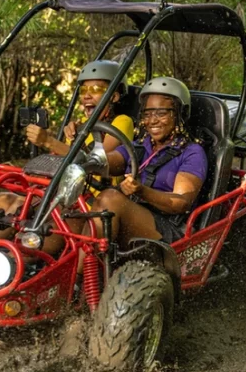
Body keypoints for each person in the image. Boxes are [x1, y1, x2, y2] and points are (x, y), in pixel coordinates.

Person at [0, 60, 134, 257]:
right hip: (59, 197)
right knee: (4, 200)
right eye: (83, 90)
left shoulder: (122, 122)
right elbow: (62, 164)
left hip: (88, 204)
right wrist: (69, 138)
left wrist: (49, 141)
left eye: (97, 89)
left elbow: (96, 162)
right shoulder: (80, 126)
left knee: (19, 212)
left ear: (114, 96)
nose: (87, 95)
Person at [89, 76, 208, 245]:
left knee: (109, 199)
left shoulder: (191, 152)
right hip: (134, 215)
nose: (152, 120)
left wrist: (141, 191)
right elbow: (107, 162)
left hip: (169, 228)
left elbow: (180, 203)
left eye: (161, 113)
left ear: (179, 114)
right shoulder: (139, 146)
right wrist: (78, 154)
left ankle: (84, 272)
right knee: (72, 215)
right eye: (148, 113)